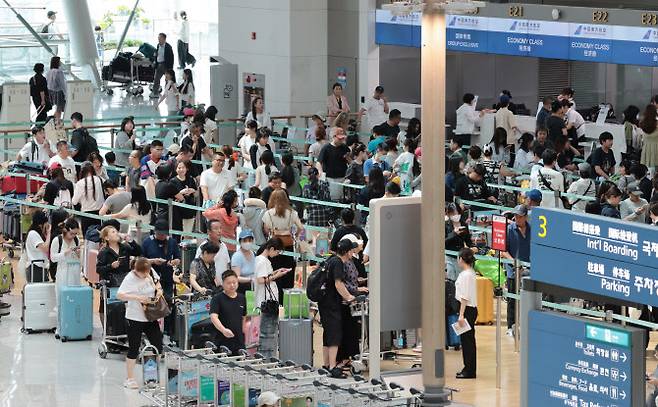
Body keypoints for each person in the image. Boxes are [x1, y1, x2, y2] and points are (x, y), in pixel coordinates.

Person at [116, 258, 164, 389]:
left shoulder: (150, 271)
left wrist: (159, 291)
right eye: (142, 274)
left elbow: (157, 283)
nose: (145, 275)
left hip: (150, 316)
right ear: (136, 270)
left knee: (158, 345)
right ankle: (129, 378)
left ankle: (152, 376)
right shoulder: (130, 278)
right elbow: (119, 295)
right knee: (134, 348)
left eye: (147, 273)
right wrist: (137, 297)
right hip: (134, 317)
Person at [317, 239, 358, 378]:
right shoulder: (339, 263)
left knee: (327, 333)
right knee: (334, 335)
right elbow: (338, 284)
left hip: (323, 302)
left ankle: (327, 364)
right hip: (331, 303)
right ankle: (333, 367)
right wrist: (349, 297)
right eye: (351, 250)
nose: (353, 253)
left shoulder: (331, 259)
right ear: (347, 252)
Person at [142, 220, 181, 336]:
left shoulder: (172, 242)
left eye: (164, 234)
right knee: (153, 304)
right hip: (151, 278)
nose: (162, 236)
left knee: (167, 302)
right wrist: (153, 261)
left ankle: (167, 330)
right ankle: (151, 330)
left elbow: (178, 258)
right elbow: (141, 260)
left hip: (167, 277)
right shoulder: (147, 242)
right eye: (159, 234)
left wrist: (173, 262)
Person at [262, 190, 303, 299]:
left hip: (274, 246)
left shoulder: (268, 213)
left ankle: (276, 299)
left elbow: (266, 229)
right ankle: (287, 300)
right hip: (288, 246)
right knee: (288, 273)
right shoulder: (292, 213)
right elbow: (300, 228)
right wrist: (294, 235)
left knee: (275, 273)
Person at [254, 238, 290, 358]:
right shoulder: (262, 261)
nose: (277, 255)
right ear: (272, 249)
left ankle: (269, 357)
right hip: (266, 302)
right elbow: (260, 280)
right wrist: (277, 276)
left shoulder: (263, 260)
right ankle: (267, 358)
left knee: (270, 331)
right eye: (277, 252)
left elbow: (265, 276)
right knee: (268, 332)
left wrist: (276, 272)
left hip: (268, 301)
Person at [500, 205, 530, 336]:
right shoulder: (509, 230)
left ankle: (525, 324)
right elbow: (503, 251)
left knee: (527, 299)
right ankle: (510, 326)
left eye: (520, 216)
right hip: (513, 270)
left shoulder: (533, 230)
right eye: (516, 216)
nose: (517, 218)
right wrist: (514, 262)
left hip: (529, 271)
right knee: (512, 299)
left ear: (525, 217)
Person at [209, 269, 246, 355]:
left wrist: (243, 333)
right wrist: (223, 330)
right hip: (222, 339)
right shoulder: (217, 298)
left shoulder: (242, 298)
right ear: (223, 283)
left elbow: (244, 316)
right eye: (229, 283)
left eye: (234, 282)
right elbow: (213, 317)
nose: (232, 285)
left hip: (238, 341)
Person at [455, 247, 478, 379]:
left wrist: (461, 314)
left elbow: (465, 296)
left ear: (461, 259)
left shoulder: (467, 275)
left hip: (467, 309)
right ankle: (468, 368)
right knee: (467, 340)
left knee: (467, 341)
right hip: (469, 309)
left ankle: (469, 370)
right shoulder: (470, 273)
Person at [316, 127, 350, 200]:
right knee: (332, 198)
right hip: (330, 178)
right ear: (334, 137)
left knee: (342, 198)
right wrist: (321, 173)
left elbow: (350, 161)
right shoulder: (326, 148)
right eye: (339, 138)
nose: (341, 140)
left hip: (342, 177)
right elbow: (319, 162)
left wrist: (348, 158)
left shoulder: (344, 147)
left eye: (342, 138)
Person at [445, 203, 475, 281]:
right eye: (453, 214)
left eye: (457, 213)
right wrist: (454, 233)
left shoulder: (464, 224)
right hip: (449, 257)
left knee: (461, 280)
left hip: (461, 257)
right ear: (448, 214)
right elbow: (443, 242)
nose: (456, 215)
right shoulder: (446, 225)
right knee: (451, 280)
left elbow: (468, 240)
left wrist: (473, 247)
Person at [49, 217, 81, 292]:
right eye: (71, 233)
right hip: (62, 273)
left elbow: (78, 259)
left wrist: (78, 254)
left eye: (76, 234)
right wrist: (64, 253)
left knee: (75, 297)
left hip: (75, 274)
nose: (73, 236)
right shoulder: (57, 240)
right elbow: (52, 258)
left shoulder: (76, 240)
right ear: (65, 230)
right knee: (62, 298)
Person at [72, 162, 104, 233]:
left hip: (86, 214)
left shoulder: (80, 183)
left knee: (87, 238)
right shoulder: (99, 179)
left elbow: (74, 201)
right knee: (98, 237)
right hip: (99, 214)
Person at [169, 160, 197, 233]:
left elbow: (196, 194)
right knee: (179, 232)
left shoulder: (190, 179)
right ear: (176, 169)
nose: (181, 170)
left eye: (183, 167)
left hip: (190, 210)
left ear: (186, 169)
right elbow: (171, 196)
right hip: (178, 211)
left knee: (188, 233)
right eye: (179, 168)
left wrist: (192, 190)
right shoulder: (172, 181)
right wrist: (181, 192)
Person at [25, 211, 51, 283]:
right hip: (36, 269)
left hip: (40, 267)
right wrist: (49, 233)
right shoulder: (33, 234)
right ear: (41, 224)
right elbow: (45, 248)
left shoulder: (37, 234)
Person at [232, 229, 257, 294]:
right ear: (240, 242)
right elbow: (235, 277)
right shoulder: (237, 256)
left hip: (254, 286)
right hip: (242, 288)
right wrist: (250, 279)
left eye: (249, 240)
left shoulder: (253, 253)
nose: (247, 242)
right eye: (245, 241)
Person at [46, 56, 66, 121]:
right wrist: (66, 93)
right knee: (59, 109)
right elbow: (62, 83)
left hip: (51, 92)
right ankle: (57, 122)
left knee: (57, 109)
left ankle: (54, 120)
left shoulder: (49, 71)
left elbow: (47, 82)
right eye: (59, 61)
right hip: (59, 92)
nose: (60, 62)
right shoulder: (59, 71)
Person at [641, 104, 658, 172]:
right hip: (656, 149)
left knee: (647, 171)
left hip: (646, 149)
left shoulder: (642, 124)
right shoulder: (657, 124)